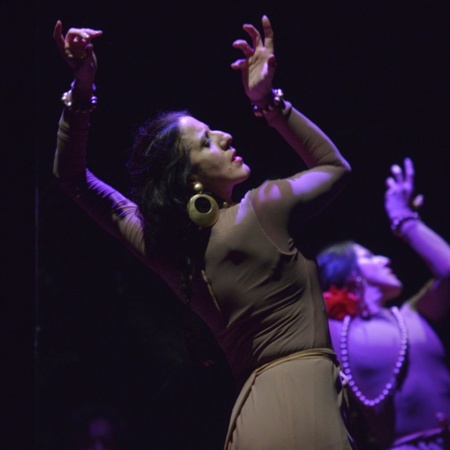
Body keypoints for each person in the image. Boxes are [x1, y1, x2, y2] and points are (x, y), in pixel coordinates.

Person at [53, 15, 356, 449]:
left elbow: (73, 179)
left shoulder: (163, 246)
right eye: (207, 141)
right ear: (189, 176)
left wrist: (82, 86)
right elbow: (334, 168)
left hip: (253, 415)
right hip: (304, 408)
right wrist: (269, 102)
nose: (226, 135)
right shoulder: (264, 207)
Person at [317, 158, 450, 449]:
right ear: (350, 275)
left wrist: (406, 221)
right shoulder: (332, 330)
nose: (385, 259)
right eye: (369, 257)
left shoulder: (412, 314)